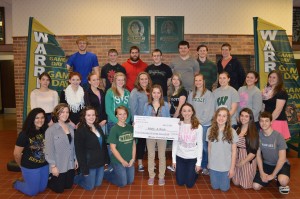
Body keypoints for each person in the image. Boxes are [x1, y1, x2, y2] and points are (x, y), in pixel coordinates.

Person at [13, 108, 49, 196]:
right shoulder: (24, 134)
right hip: (30, 166)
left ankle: (29, 182)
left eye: (42, 117)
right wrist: (20, 166)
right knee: (32, 192)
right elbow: (16, 154)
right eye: (37, 118)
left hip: (44, 165)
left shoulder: (45, 130)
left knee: (42, 189)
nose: (40, 120)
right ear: (31, 119)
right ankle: (17, 184)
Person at [253, 111, 290, 194]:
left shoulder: (278, 136)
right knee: (256, 186)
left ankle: (278, 179)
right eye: (262, 121)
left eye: (266, 121)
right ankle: (271, 177)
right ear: (259, 122)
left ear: (271, 122)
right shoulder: (258, 136)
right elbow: (258, 155)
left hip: (281, 164)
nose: (264, 123)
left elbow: (282, 159)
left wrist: (273, 175)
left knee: (283, 181)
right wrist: (262, 172)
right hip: (267, 164)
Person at [45, 103, 78, 193]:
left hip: (70, 164)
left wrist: (76, 159)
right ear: (57, 114)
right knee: (59, 190)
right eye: (62, 112)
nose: (65, 114)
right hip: (59, 165)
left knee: (68, 186)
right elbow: (48, 150)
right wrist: (53, 166)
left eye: (67, 112)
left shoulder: (70, 127)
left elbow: (74, 146)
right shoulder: (51, 130)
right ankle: (48, 180)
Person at [74, 107, 109, 190]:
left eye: (93, 115)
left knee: (98, 184)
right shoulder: (80, 130)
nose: (91, 117)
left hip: (100, 161)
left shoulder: (98, 126)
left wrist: (106, 160)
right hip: (89, 163)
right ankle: (77, 178)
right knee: (89, 187)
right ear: (84, 116)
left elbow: (103, 145)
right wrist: (84, 169)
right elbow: (79, 151)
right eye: (88, 115)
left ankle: (86, 176)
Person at [143, 84, 170, 186]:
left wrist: (173, 125)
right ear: (151, 94)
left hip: (162, 134)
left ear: (161, 94)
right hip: (150, 134)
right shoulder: (147, 105)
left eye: (158, 92)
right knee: (150, 155)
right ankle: (151, 176)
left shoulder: (166, 105)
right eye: (154, 92)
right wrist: (138, 124)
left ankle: (161, 177)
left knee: (162, 155)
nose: (156, 95)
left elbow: (168, 119)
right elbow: (144, 118)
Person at [188, 73, 214, 175]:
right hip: (193, 124)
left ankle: (205, 166)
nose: (198, 82)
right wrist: (191, 122)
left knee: (204, 147)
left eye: (200, 80)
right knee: (195, 145)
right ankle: (196, 164)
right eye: (196, 80)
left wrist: (198, 123)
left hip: (204, 125)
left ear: (203, 82)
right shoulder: (192, 94)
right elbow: (189, 109)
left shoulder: (208, 94)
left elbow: (209, 112)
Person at [207, 107, 238, 192]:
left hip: (226, 166)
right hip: (213, 165)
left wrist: (232, 168)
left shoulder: (232, 132)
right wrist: (209, 163)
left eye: (224, 116)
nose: (221, 118)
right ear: (216, 116)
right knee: (215, 187)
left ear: (227, 118)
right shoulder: (210, 130)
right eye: (219, 115)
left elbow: (234, 151)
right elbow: (209, 148)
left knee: (224, 189)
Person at [172, 103, 203, 188]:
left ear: (192, 112)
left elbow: (200, 145)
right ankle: (187, 171)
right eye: (184, 111)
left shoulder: (198, 126)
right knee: (180, 182)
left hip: (192, 158)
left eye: (189, 111)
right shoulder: (178, 125)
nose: (187, 113)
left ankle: (194, 173)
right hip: (180, 157)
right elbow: (175, 143)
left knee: (189, 184)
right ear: (181, 112)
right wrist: (174, 161)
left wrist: (198, 163)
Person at [104, 106, 136, 187]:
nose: (123, 116)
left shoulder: (130, 128)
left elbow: (134, 145)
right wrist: (122, 161)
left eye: (124, 114)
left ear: (127, 115)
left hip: (129, 160)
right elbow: (112, 148)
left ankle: (119, 172)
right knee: (122, 183)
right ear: (116, 115)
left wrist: (133, 159)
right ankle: (106, 173)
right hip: (118, 161)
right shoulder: (114, 129)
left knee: (130, 181)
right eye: (120, 114)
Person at [129, 72, 152, 172]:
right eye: (141, 79)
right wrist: (134, 121)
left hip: (151, 121)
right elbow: (132, 107)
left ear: (148, 80)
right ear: (138, 80)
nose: (144, 81)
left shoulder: (151, 90)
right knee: (141, 143)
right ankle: (140, 163)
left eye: (145, 79)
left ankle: (151, 163)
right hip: (141, 122)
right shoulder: (135, 91)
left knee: (150, 143)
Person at [232, 108, 259, 189]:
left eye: (246, 116)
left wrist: (243, 162)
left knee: (245, 186)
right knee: (236, 183)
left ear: (250, 118)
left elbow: (253, 152)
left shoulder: (253, 132)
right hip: (236, 157)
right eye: (242, 115)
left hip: (247, 158)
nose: (243, 118)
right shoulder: (237, 128)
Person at [262, 70, 291, 139]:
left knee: (276, 146)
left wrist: (269, 122)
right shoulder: (266, 91)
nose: (271, 79)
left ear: (279, 80)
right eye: (270, 77)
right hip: (267, 120)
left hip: (276, 121)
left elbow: (278, 110)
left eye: (274, 77)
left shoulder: (281, 92)